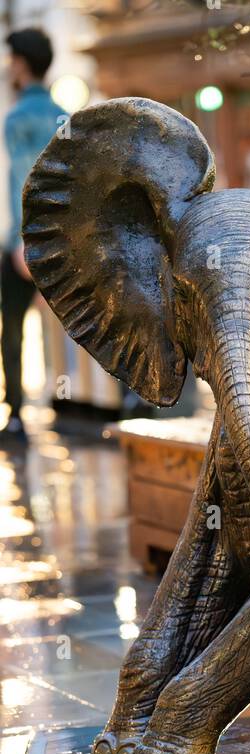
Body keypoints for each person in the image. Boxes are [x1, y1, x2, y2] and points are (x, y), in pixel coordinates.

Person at [0, 29, 64, 445]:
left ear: (21, 64)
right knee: (70, 322)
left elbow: (27, 181)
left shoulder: (18, 118)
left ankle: (18, 414)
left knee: (13, 329)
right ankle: (66, 399)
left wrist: (25, 239)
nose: (7, 67)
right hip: (61, 238)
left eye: (10, 60)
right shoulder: (64, 115)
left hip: (24, 240)